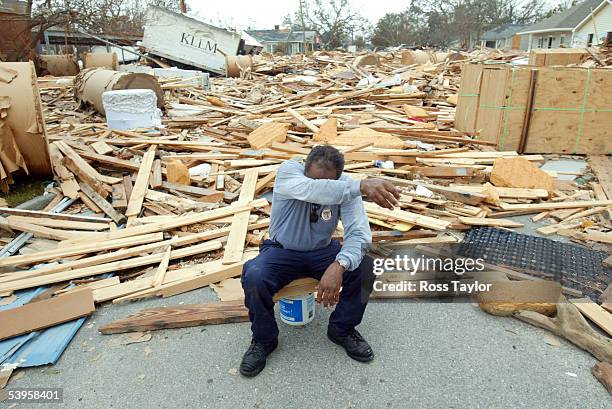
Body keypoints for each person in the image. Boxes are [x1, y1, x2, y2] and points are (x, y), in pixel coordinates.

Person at [239, 145, 400, 377]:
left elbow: (359, 234)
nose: (319, 184)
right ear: (305, 167)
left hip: (321, 252)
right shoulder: (290, 172)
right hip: (282, 251)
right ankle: (264, 340)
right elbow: (310, 189)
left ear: (337, 178)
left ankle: (341, 329)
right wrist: (360, 186)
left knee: (365, 268)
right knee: (254, 275)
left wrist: (339, 264)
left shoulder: (347, 187)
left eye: (330, 182)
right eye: (313, 178)